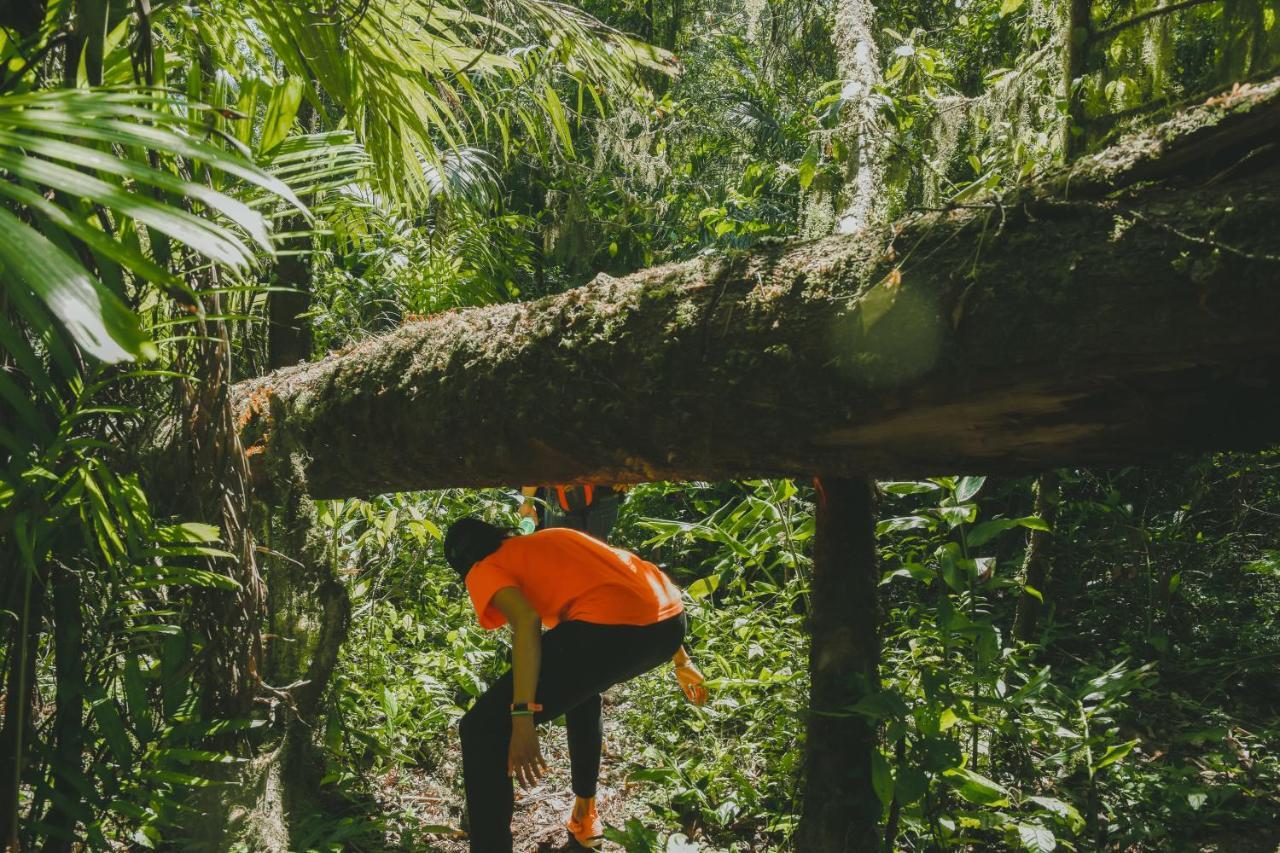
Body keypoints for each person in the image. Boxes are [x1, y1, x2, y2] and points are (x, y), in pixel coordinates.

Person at [443, 517, 708, 851]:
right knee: (583, 690)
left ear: (463, 566)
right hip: (670, 621)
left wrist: (522, 717)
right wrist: (680, 657)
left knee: (482, 730)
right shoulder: (551, 539)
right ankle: (585, 814)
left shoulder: (482, 567)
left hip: (616, 631)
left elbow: (526, 621)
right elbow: (626, 579)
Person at [519, 484, 625, 542]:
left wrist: (623, 470)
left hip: (603, 489)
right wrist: (527, 500)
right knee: (559, 553)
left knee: (595, 557)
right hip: (559, 492)